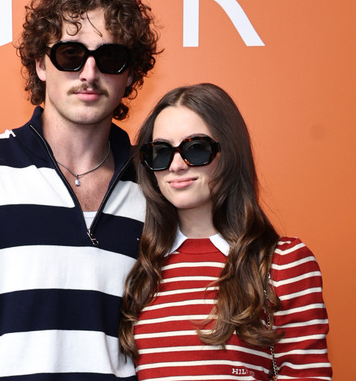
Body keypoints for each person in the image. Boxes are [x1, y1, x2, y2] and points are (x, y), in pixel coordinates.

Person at [0, 0, 159, 381]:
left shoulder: (156, 188)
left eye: (111, 57)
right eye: (71, 53)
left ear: (130, 75)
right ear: (41, 64)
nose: (89, 72)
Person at [120, 83, 332, 380]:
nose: (177, 166)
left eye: (196, 149)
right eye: (161, 152)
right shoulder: (137, 265)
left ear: (229, 152)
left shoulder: (283, 263)